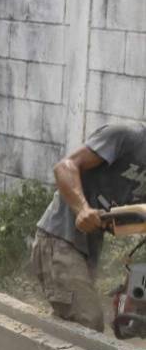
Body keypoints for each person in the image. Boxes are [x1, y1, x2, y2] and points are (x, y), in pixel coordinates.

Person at [32, 122, 146, 333]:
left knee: (73, 324)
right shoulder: (125, 136)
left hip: (88, 248)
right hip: (59, 238)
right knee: (88, 324)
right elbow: (65, 166)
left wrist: (134, 283)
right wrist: (82, 208)